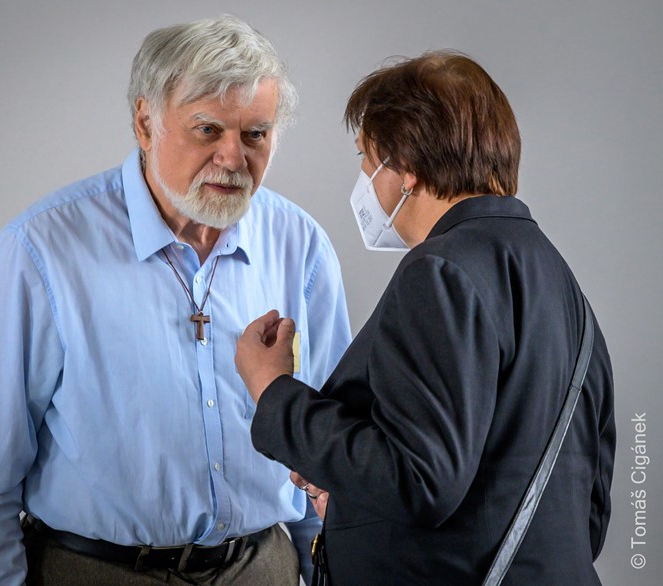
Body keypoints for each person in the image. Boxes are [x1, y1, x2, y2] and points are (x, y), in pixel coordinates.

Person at [0, 15, 351, 585]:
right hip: (96, 570)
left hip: (262, 566)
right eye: (208, 130)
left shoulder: (301, 245)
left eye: (255, 134)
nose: (233, 158)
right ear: (145, 122)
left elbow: (327, 452)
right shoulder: (42, 249)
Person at [236, 50, 615, 585]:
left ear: (406, 169)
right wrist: (359, 509)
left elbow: (419, 480)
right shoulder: (560, 280)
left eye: (367, 156)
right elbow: (587, 513)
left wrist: (272, 389)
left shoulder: (438, 271)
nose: (364, 176)